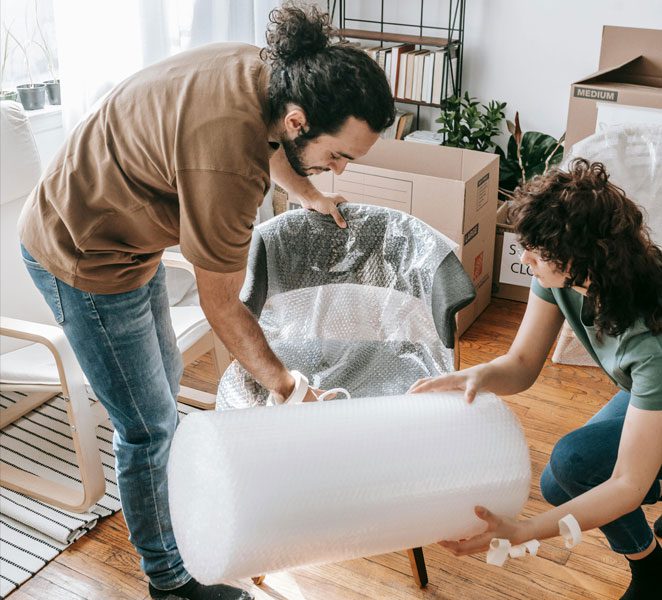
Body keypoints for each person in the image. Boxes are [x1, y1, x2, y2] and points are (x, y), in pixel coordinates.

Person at [18, 4, 394, 599]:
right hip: (83, 255)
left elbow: (276, 148)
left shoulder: (267, 77)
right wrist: (287, 385)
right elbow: (224, 308)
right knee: (146, 428)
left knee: (163, 390)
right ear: (300, 120)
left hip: (122, 234)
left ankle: (174, 514)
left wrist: (308, 191)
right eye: (338, 154)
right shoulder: (227, 164)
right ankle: (170, 584)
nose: (342, 169)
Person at [410, 159, 662, 600]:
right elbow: (523, 363)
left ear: (584, 258)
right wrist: (474, 376)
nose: (524, 258)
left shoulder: (650, 343)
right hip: (649, 394)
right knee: (558, 482)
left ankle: (653, 570)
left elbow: (626, 485)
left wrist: (523, 531)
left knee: (578, 466)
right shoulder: (563, 275)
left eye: (537, 253)